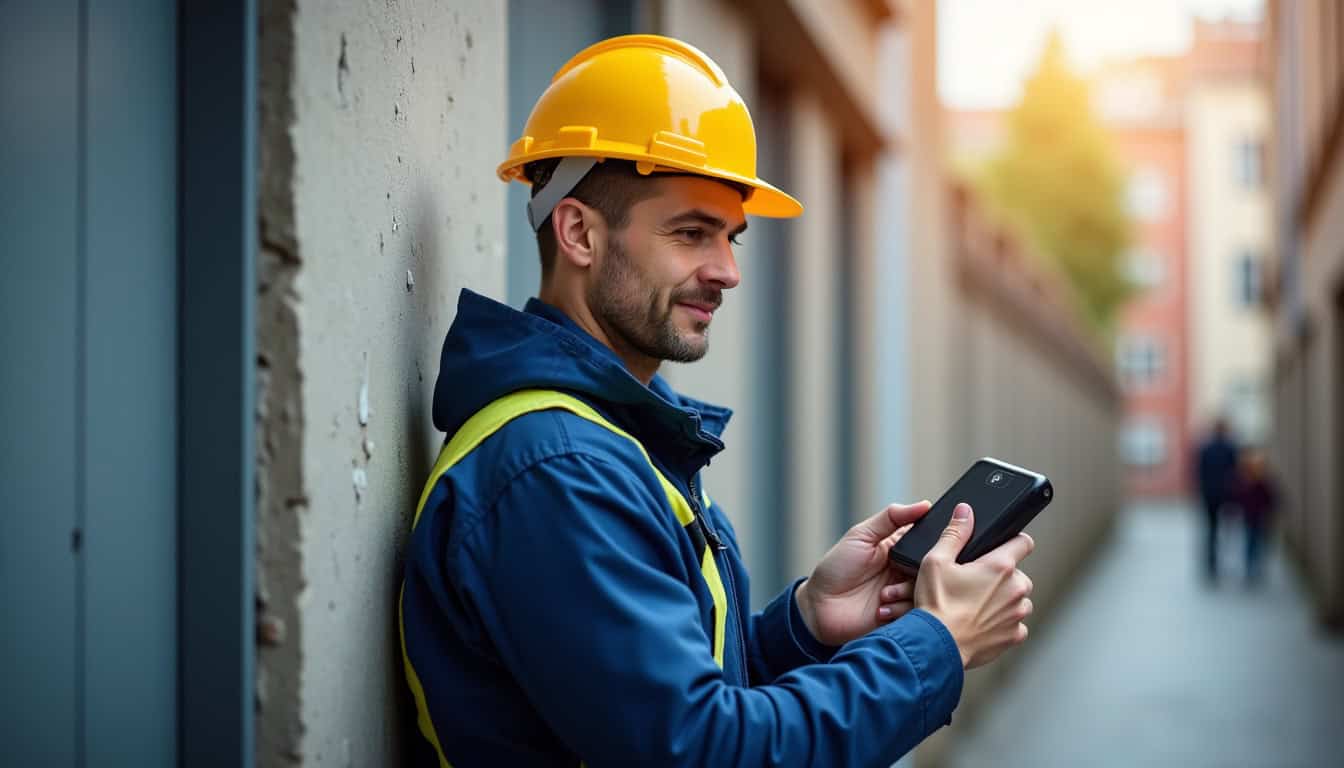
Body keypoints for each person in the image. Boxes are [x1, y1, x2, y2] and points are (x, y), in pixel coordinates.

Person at [398, 35, 1035, 767]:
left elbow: (671, 708)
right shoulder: (558, 472)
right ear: (578, 233)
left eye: (730, 237)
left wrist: (805, 624)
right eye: (692, 233)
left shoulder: (612, 441)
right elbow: (706, 751)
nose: (728, 270)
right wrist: (935, 645)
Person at [1194, 418, 1240, 581]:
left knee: (1211, 529)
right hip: (1225, 494)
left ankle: (1212, 561)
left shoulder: (1206, 449)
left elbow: (1199, 472)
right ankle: (1218, 559)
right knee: (1225, 528)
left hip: (1210, 494)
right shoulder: (1231, 449)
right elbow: (1236, 472)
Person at [1230, 449, 1278, 585]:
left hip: (1260, 518)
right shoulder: (1244, 482)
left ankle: (1255, 567)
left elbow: (1271, 499)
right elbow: (1237, 498)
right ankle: (1251, 568)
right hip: (1250, 517)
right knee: (1251, 542)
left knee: (1258, 542)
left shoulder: (1262, 483)